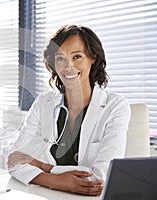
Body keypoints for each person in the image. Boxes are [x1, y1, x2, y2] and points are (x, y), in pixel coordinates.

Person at [7, 24, 131, 196]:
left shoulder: (115, 106)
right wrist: (56, 181)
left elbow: (100, 179)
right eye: (60, 58)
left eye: (77, 57)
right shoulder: (44, 103)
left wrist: (44, 167)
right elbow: (15, 161)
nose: (68, 66)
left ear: (93, 57)